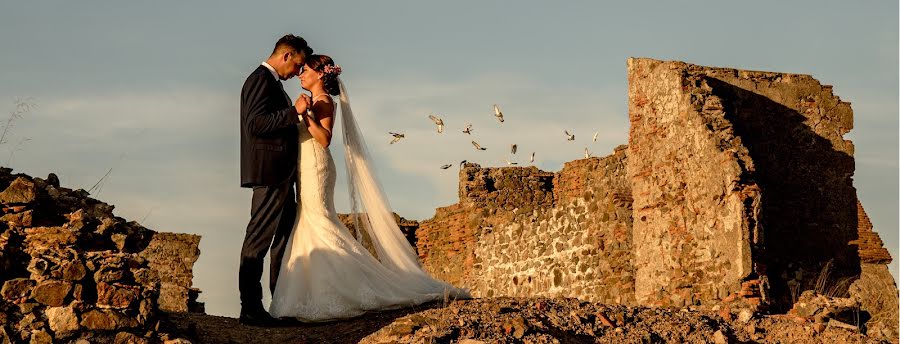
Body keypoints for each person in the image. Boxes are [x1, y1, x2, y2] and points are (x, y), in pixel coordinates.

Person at [268, 54, 471, 322]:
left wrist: (305, 114)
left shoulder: (323, 102)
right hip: (304, 167)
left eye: (305, 70)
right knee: (308, 221)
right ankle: (308, 293)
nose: (300, 74)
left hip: (317, 167)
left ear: (319, 75)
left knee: (319, 221)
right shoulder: (312, 100)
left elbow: (324, 139)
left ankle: (344, 288)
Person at [238, 34, 313, 327]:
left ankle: (279, 303)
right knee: (258, 239)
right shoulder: (260, 80)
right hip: (269, 173)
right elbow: (255, 125)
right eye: (298, 64)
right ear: (286, 55)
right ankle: (251, 308)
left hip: (281, 174)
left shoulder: (272, 84)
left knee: (282, 241)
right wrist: (293, 112)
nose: (297, 72)